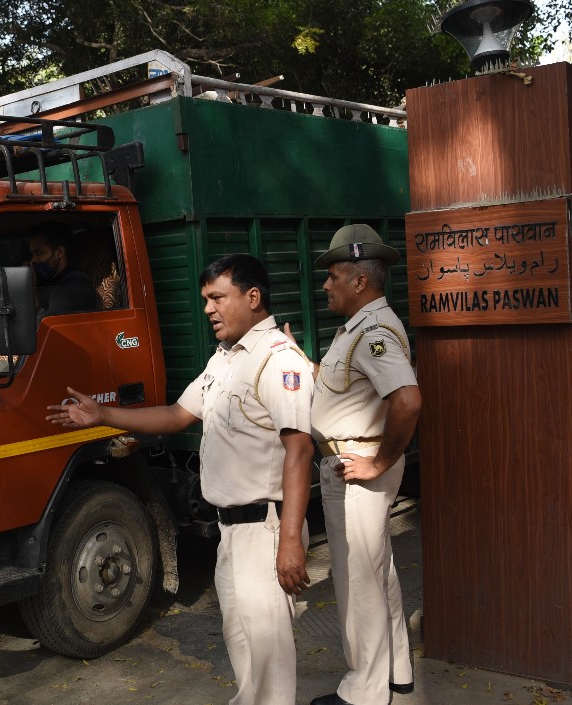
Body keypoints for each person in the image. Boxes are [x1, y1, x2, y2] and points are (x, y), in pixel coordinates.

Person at [48, 254, 314, 705]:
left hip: (265, 530)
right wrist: (102, 415)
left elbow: (300, 449)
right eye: (205, 299)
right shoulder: (224, 359)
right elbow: (177, 415)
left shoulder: (277, 361)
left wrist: (290, 539)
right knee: (242, 642)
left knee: (269, 657)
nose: (208, 308)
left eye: (217, 298)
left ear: (253, 297)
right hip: (231, 532)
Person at [304, 225, 422, 705]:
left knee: (358, 582)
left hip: (356, 469)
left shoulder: (373, 332)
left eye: (334, 277)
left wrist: (378, 462)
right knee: (377, 573)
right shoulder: (357, 328)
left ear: (359, 281)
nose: (325, 286)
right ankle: (396, 673)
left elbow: (408, 401)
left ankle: (364, 693)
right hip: (354, 462)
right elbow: (344, 388)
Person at [27, 222, 97, 315]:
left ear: (59, 252)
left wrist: (31, 290)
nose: (33, 260)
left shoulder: (74, 285)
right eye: (32, 254)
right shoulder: (47, 280)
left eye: (39, 253)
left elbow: (46, 327)